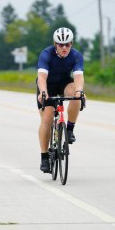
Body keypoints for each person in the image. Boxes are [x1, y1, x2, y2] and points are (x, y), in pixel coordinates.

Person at [36, 27, 85, 173]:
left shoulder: (76, 56)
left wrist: (79, 91)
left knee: (76, 95)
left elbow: (78, 78)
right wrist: (43, 92)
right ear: (55, 44)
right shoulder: (46, 54)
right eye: (60, 44)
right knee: (47, 119)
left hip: (64, 83)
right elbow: (42, 77)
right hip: (47, 86)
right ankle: (44, 157)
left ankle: (69, 129)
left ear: (72, 43)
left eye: (68, 44)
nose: (64, 47)